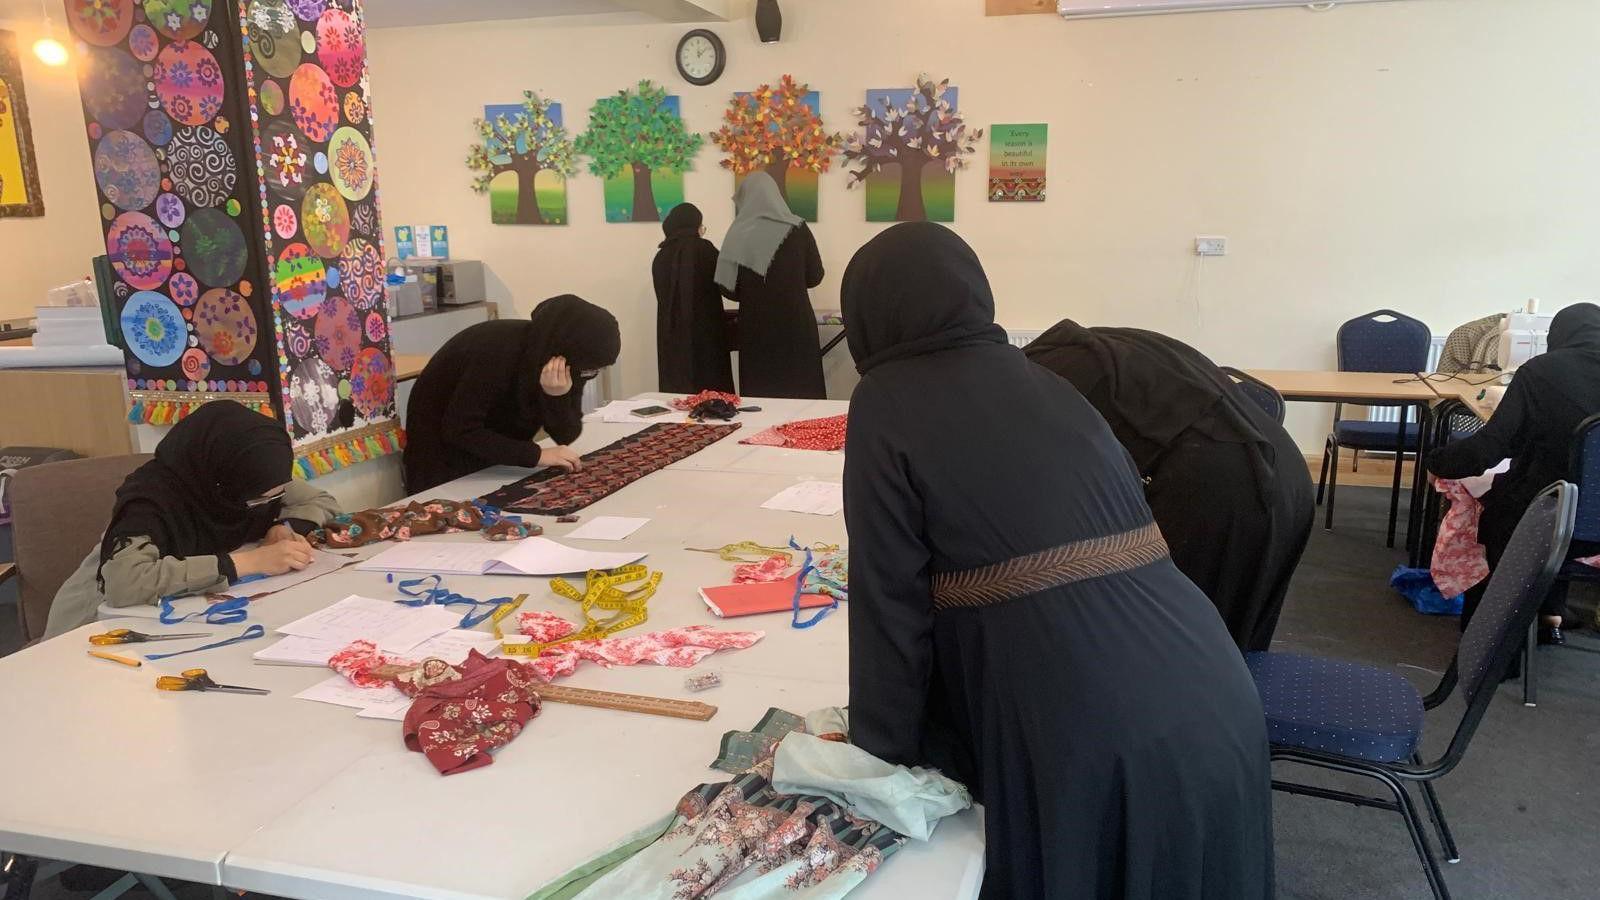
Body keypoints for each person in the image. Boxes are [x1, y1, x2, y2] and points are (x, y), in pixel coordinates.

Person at [841, 223, 1273, 899]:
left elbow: (887, 597)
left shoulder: (886, 399)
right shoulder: (1044, 381)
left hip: (1083, 715)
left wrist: (881, 751)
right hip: (1209, 685)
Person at [1024, 322, 1314, 652]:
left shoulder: (1020, 390)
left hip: (1216, 482)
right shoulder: (1056, 355)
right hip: (1286, 465)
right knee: (1236, 655)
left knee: (1174, 658)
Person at [45, 400, 339, 638]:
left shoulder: (254, 477)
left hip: (181, 619)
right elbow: (126, 583)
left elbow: (320, 500)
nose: (266, 504)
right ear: (223, 477)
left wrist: (282, 527)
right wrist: (248, 562)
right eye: (258, 499)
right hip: (91, 630)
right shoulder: (150, 501)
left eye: (274, 497)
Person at [1429, 302, 1600, 643]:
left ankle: (1499, 639)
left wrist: (1437, 461)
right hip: (1590, 523)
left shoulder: (1542, 372)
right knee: (1583, 494)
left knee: (1504, 509)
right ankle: (1552, 614)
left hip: (1549, 518)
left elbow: (1488, 450)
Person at [403, 295, 621, 495]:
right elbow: (460, 430)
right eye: (589, 369)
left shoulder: (562, 362)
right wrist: (535, 455)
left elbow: (566, 435)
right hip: (442, 464)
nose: (589, 375)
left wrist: (557, 396)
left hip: (494, 459)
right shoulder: (497, 351)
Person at [715, 171, 826, 399]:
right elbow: (815, 275)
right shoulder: (798, 228)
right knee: (802, 393)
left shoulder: (737, 232)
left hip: (756, 327)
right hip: (796, 325)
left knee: (761, 397)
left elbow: (727, 288)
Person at [652, 203, 734, 395]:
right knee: (714, 397)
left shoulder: (661, 256)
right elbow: (728, 286)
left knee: (679, 397)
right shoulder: (706, 250)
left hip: (671, 337)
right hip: (708, 336)